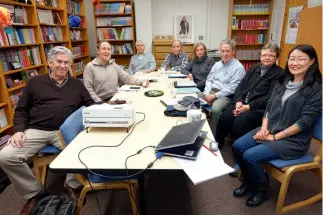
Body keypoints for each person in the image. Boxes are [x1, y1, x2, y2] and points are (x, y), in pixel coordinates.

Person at [0, 46, 95, 215]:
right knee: (6, 156)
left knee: (84, 150)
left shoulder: (76, 84)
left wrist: (108, 109)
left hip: (64, 131)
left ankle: (71, 184)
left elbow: (89, 105)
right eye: (59, 61)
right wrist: (19, 130)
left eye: (66, 62)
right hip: (36, 130)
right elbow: (21, 110)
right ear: (50, 63)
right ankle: (35, 192)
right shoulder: (35, 83)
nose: (63, 66)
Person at [232, 44, 322, 207]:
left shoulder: (316, 89)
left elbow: (304, 122)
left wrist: (274, 137)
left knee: (250, 156)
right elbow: (269, 106)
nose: (295, 63)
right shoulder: (283, 80)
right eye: (292, 59)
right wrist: (265, 127)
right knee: (238, 146)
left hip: (293, 140)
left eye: (301, 59)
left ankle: (261, 189)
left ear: (312, 62)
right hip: (270, 129)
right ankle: (251, 179)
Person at [215, 44, 283, 150]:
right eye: (264, 55)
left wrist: (248, 107)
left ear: (277, 57)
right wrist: (238, 102)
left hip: (258, 109)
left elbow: (270, 97)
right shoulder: (254, 68)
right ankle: (217, 145)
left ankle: (240, 151)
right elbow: (241, 86)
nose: (267, 58)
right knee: (225, 117)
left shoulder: (279, 74)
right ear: (260, 56)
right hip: (242, 104)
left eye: (271, 55)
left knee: (241, 122)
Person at [202, 39, 245, 138]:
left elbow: (232, 88)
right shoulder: (217, 64)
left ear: (233, 51)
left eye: (228, 51)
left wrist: (213, 96)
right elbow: (209, 80)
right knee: (194, 98)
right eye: (223, 51)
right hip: (211, 92)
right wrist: (206, 94)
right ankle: (198, 130)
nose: (225, 54)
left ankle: (213, 136)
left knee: (215, 109)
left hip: (226, 95)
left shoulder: (238, 68)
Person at [83, 40, 149, 103]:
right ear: (98, 51)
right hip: (100, 101)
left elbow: (126, 78)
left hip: (115, 98)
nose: (107, 51)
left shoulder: (113, 65)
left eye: (109, 49)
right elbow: (88, 89)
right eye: (104, 49)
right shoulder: (90, 67)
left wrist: (141, 82)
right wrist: (100, 103)